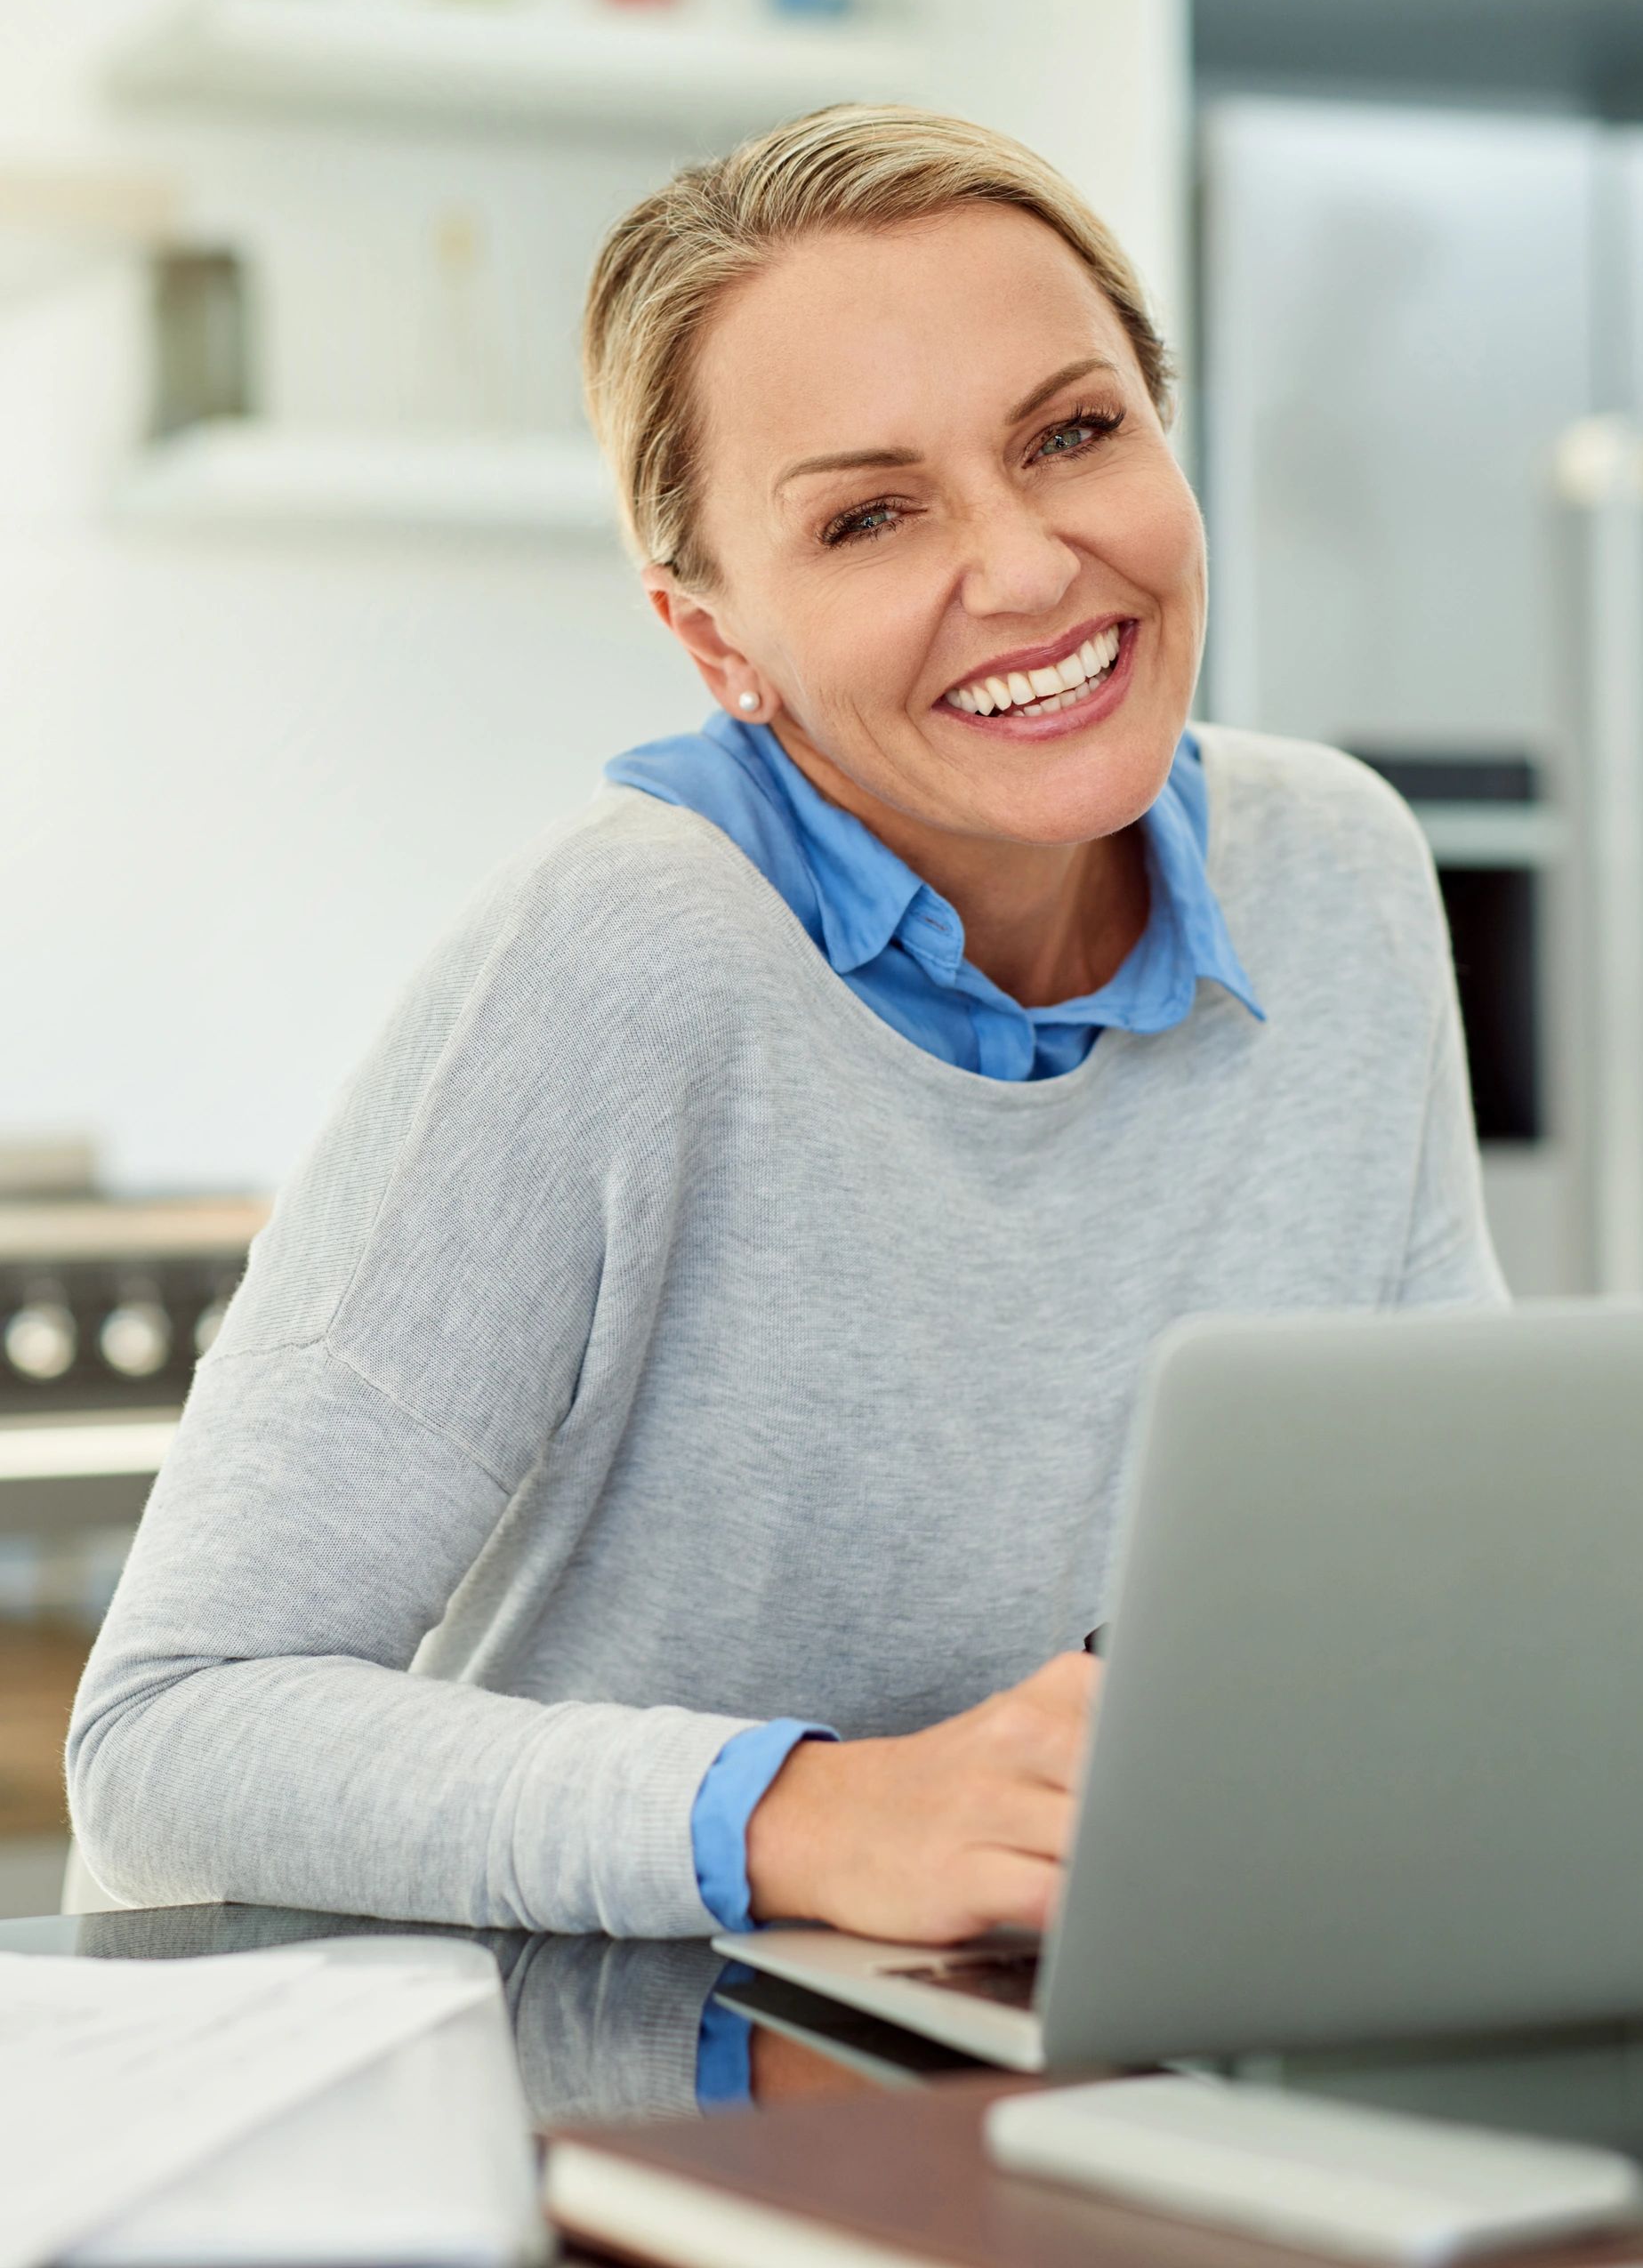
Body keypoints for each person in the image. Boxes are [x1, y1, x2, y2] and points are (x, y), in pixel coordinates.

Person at [67, 105, 1503, 1954]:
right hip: (596, 2106)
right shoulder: (622, 959)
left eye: (1072, 432)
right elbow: (168, 1734)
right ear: (717, 642)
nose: (1025, 567)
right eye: (868, 515)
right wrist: (802, 1807)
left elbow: (1447, 1553)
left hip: (1087, 2043)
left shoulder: (1341, 872)